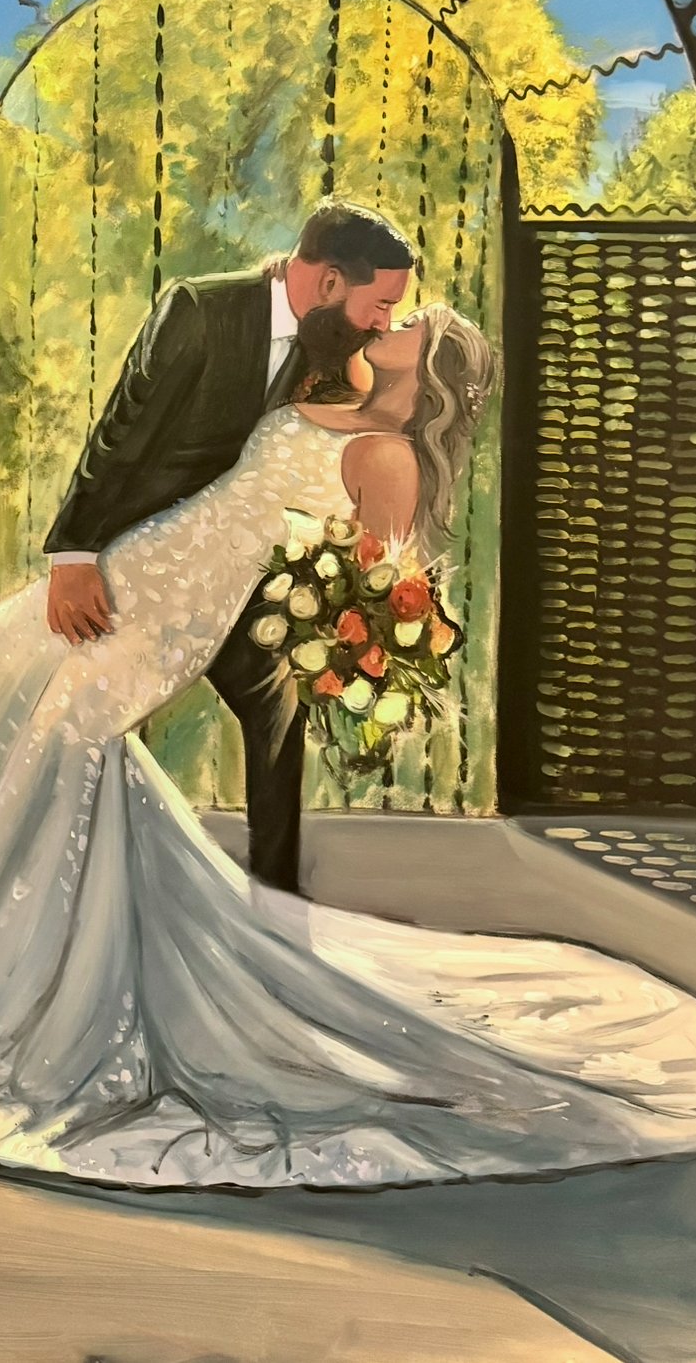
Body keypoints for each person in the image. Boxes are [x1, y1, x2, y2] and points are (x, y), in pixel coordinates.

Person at [0, 298, 696, 1190]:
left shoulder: (387, 455)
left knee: (62, 737)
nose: (394, 322)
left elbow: (375, 583)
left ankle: (6, 991)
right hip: (149, 555)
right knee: (4, 645)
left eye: (411, 328)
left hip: (183, 609)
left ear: (428, 373)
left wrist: (320, 622)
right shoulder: (320, 387)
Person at [43, 199, 415, 895]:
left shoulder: (333, 346)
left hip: (240, 580)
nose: (384, 323)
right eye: (382, 304)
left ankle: (275, 896)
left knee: (278, 707)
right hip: (146, 564)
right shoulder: (200, 311)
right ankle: (86, 881)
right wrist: (74, 553)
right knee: (95, 714)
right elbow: (122, 430)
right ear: (330, 282)